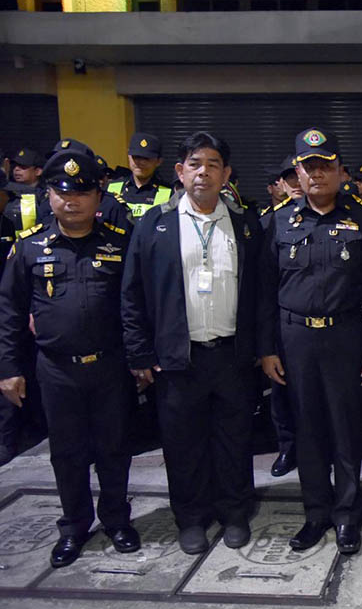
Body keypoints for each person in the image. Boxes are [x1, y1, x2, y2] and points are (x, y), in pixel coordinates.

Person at [122, 131, 261, 556]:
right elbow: (132, 294)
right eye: (195, 164)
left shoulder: (245, 223)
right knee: (183, 444)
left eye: (213, 164)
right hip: (177, 359)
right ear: (180, 172)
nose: (204, 172)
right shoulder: (155, 224)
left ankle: (235, 511)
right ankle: (191, 518)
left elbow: (261, 291)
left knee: (234, 439)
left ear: (226, 174)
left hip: (231, 355)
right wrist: (140, 353)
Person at [0, 150, 139, 567]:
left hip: (111, 366)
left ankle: (116, 519)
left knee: (115, 448)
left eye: (81, 192)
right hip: (56, 369)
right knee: (67, 452)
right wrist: (8, 369)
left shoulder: (119, 243)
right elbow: (9, 313)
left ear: (98, 196)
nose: (71, 201)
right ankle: (75, 526)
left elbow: (136, 306)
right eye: (62, 192)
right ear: (49, 195)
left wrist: (140, 358)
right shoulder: (30, 248)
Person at [259, 128, 362, 555]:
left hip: (345, 337)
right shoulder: (278, 222)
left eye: (324, 166)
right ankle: (315, 513)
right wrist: (267, 349)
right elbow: (263, 292)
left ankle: (347, 513)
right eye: (308, 167)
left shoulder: (361, 219)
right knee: (307, 429)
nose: (316, 174)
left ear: (339, 171)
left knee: (345, 428)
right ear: (296, 173)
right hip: (294, 338)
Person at [257, 154, 303, 478]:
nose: (297, 183)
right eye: (290, 178)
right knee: (282, 394)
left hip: (318, 328)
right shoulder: (268, 222)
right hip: (280, 325)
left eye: (299, 176)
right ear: (282, 184)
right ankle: (288, 448)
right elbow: (261, 286)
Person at [106, 132, 172, 223]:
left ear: (159, 161)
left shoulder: (169, 193)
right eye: (136, 157)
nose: (140, 162)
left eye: (146, 158)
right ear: (128, 156)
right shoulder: (110, 188)